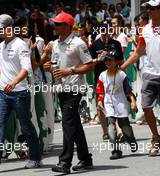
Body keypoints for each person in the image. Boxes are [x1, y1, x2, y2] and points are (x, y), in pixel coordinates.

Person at [0, 14, 42, 173]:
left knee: (26, 127)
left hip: (20, 94)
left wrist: (13, 82)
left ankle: (35, 157)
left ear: (10, 28)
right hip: (3, 95)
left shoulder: (20, 45)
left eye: (1, 28)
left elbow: (26, 68)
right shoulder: (0, 46)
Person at [121, 0, 160, 157]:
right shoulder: (145, 29)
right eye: (147, 8)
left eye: (151, 8)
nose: (148, 11)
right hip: (149, 74)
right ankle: (156, 137)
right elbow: (139, 51)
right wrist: (122, 67)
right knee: (146, 107)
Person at [44, 12, 94, 174]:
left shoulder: (79, 43)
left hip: (74, 89)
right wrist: (49, 67)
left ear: (67, 26)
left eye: (58, 24)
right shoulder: (55, 43)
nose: (55, 26)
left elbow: (90, 65)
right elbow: (56, 65)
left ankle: (65, 161)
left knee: (67, 124)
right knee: (74, 124)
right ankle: (85, 158)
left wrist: (70, 71)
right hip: (61, 89)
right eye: (55, 23)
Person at [96, 50, 138, 160]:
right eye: (106, 61)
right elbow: (100, 91)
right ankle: (116, 150)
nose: (108, 62)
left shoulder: (122, 75)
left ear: (115, 62)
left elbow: (128, 91)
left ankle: (131, 139)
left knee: (125, 126)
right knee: (110, 127)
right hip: (108, 104)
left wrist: (133, 102)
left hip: (121, 103)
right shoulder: (102, 75)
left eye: (110, 60)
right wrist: (100, 101)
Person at [90, 20, 124, 140]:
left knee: (115, 104)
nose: (106, 35)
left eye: (108, 32)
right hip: (100, 79)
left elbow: (121, 61)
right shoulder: (94, 45)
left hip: (114, 79)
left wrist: (113, 60)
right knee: (101, 105)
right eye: (103, 32)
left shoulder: (116, 44)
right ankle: (105, 131)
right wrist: (99, 59)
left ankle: (118, 130)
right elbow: (89, 64)